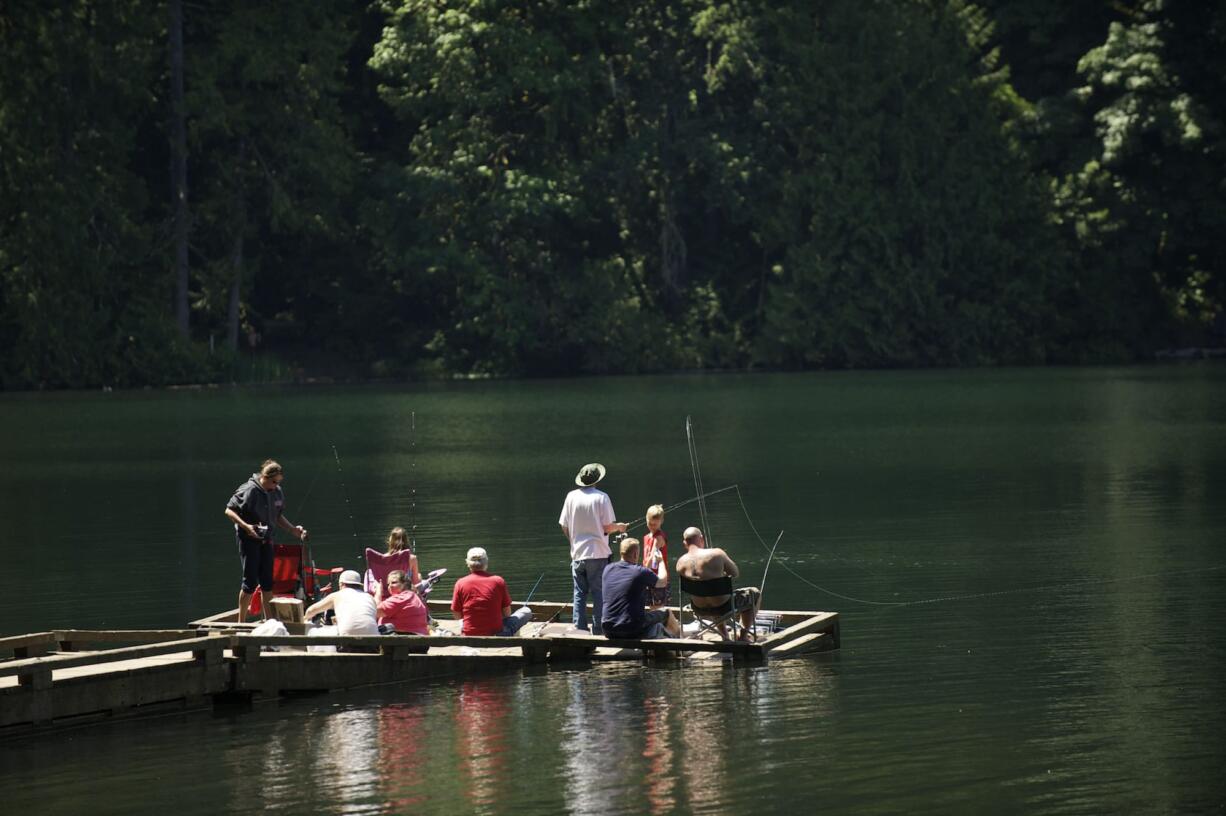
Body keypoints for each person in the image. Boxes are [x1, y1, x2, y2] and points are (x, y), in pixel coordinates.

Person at [224, 459, 309, 623]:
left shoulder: (276, 491)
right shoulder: (249, 490)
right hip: (248, 539)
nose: (276, 486)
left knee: (267, 582)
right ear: (265, 477)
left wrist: (293, 530)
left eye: (279, 482)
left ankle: (270, 620)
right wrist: (246, 526)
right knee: (249, 581)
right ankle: (241, 622)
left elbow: (277, 516)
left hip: (267, 539)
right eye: (274, 482)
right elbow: (229, 510)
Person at [558, 463, 627, 634]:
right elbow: (607, 528)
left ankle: (580, 629)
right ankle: (598, 629)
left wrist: (573, 542)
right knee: (599, 593)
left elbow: (564, 526)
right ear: (597, 480)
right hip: (598, 554)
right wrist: (620, 527)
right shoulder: (602, 497)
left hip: (578, 555)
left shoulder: (570, 497)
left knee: (579, 593)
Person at [675, 527, 761, 641]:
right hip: (724, 606)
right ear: (701, 539)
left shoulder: (680, 563)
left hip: (699, 608)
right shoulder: (716, 554)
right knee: (755, 593)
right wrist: (721, 573)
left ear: (685, 543)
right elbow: (735, 573)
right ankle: (743, 636)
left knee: (711, 595)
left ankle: (724, 636)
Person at [601, 537, 680, 640]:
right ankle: (681, 642)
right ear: (635, 554)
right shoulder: (640, 572)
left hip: (608, 629)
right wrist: (660, 562)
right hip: (631, 628)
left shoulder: (607, 569)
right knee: (666, 613)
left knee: (642, 617)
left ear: (621, 552)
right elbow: (662, 582)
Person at [450, 547, 531, 637]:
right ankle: (514, 639)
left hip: (469, 634)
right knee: (526, 611)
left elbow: (456, 613)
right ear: (486, 562)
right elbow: (507, 613)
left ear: (468, 563)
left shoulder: (460, 583)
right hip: (498, 634)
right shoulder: (498, 581)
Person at [304, 569, 380, 642]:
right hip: (373, 641)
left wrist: (305, 619)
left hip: (346, 642)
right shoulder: (369, 597)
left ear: (341, 584)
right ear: (358, 584)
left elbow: (311, 611)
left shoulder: (336, 595)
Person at [375, 569, 429, 635]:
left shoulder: (402, 598)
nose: (390, 586)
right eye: (388, 584)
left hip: (404, 642)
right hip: (414, 640)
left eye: (394, 582)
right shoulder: (412, 596)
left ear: (404, 584)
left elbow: (374, 611)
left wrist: (378, 592)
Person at [641, 504, 670, 608]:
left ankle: (662, 624)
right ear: (646, 519)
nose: (652, 527)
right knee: (647, 606)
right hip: (648, 575)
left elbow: (652, 555)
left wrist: (641, 573)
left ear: (661, 521)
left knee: (659, 607)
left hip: (659, 578)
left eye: (655, 524)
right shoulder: (646, 537)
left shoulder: (659, 537)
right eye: (650, 523)